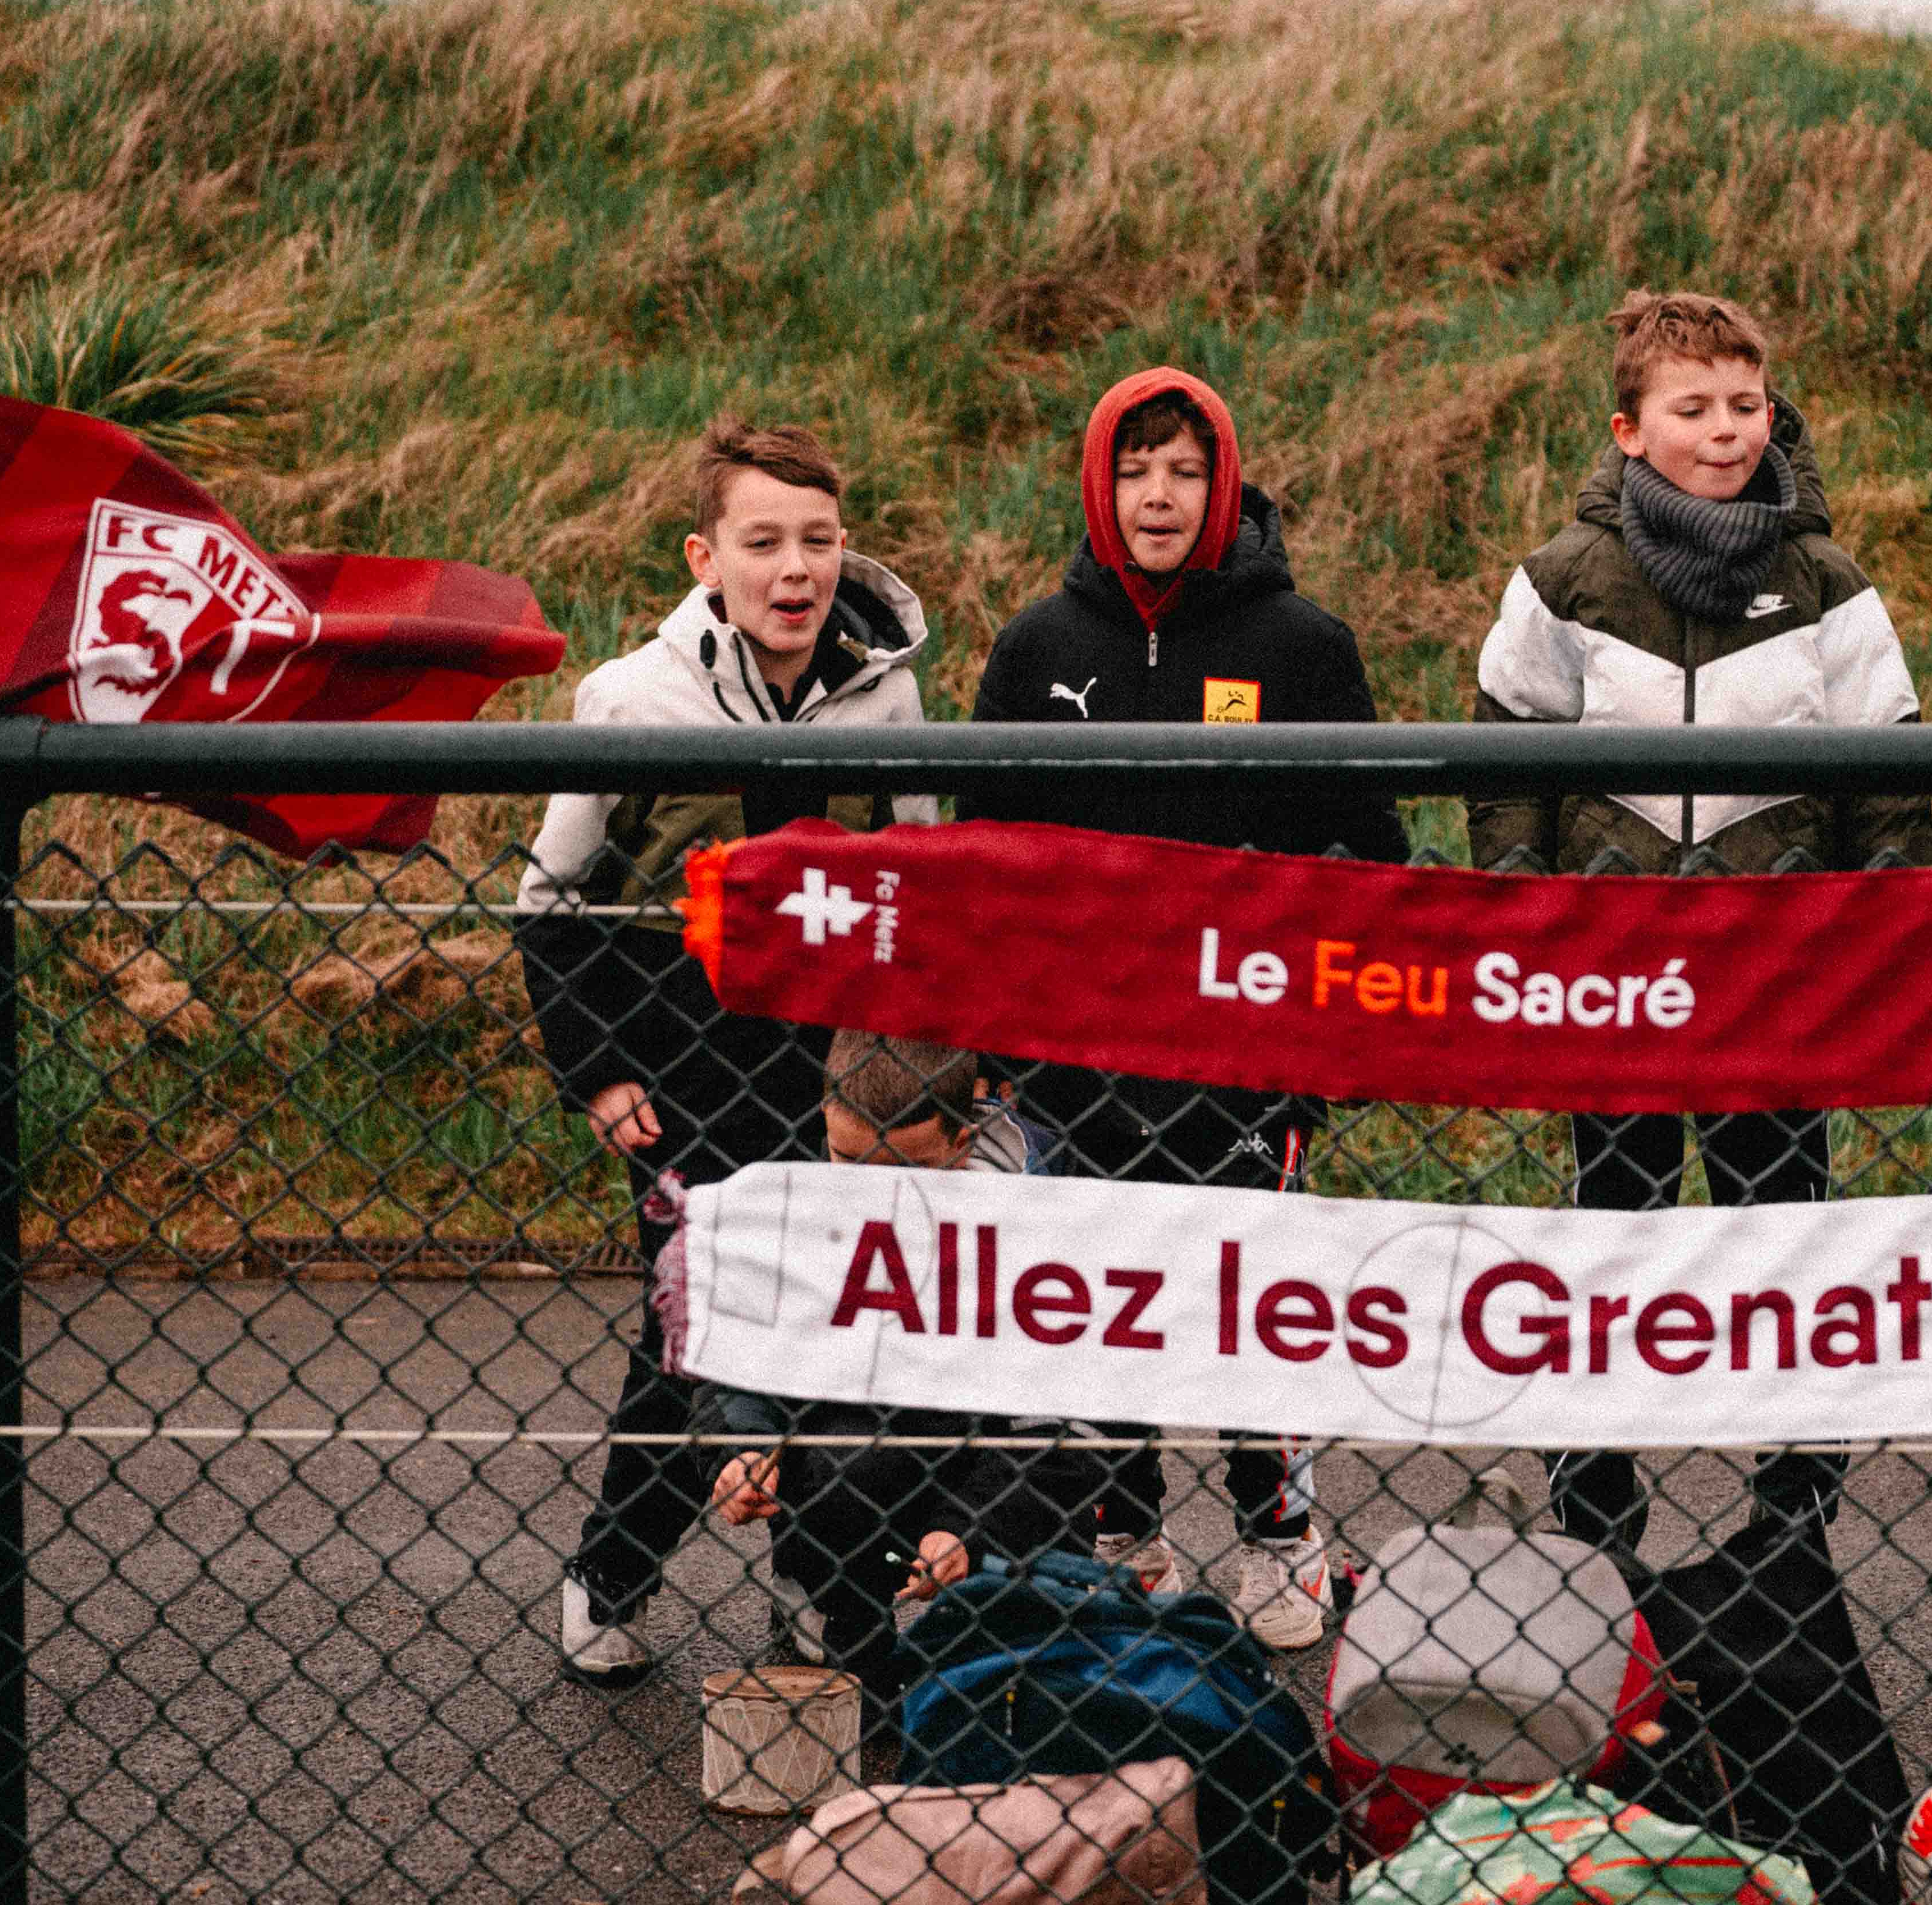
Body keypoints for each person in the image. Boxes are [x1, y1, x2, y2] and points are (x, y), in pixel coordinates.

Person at [1466, 289, 1932, 1560]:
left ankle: (1795, 1504)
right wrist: (1529, 929)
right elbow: (1508, 768)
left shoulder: (1829, 580)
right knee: (1605, 1242)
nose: (1725, 428)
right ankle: (1593, 1505)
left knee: (1785, 1242)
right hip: (1612, 986)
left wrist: (1882, 952)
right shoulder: (1563, 582)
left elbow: (1887, 779)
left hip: (1776, 988)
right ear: (1630, 429)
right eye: (1693, 408)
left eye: (1745, 404)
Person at [956, 365, 1411, 1649]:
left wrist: (1339, 1032)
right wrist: (997, 1043)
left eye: (1184, 469)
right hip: (1073, 1060)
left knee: (1253, 1300)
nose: (1158, 494)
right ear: (1098, 484)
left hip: (1245, 1061)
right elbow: (986, 858)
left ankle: (1278, 1534)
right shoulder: (1038, 646)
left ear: (1224, 485)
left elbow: (1366, 852)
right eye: (1134, 468)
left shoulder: (1302, 646)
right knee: (1097, 1299)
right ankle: (1122, 1526)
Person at [514, 416, 938, 1685]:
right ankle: (611, 1572)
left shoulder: (891, 694)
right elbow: (550, 908)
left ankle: (820, 1585)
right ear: (709, 556)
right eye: (762, 542)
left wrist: (911, 1076)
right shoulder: (628, 697)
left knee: (827, 1335)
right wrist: (597, 1069)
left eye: (816, 540)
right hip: (680, 1091)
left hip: (832, 1088)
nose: (793, 569)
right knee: (692, 1333)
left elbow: (921, 889)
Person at [704, 1032, 1100, 1700]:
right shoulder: (791, 1204)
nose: (871, 1197)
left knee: (1018, 1667)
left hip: (997, 1450)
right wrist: (746, 1446)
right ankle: (844, 1622)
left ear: (962, 1145)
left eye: (903, 1174)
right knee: (838, 1461)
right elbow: (738, 1363)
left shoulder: (1049, 1220)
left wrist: (972, 1528)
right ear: (825, 1122)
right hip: (874, 1445)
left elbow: (1070, 1435)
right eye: (848, 1161)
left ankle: (1009, 1626)